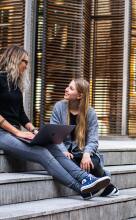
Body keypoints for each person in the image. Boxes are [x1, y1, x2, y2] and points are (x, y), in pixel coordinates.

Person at [0, 45, 110, 200]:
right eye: (24, 61)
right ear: (15, 60)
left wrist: (34, 131)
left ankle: (86, 179)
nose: (26, 65)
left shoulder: (15, 86)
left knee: (51, 145)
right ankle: (81, 188)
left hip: (14, 133)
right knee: (43, 153)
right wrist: (18, 132)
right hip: (3, 135)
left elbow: (21, 115)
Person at [50, 78, 119, 197]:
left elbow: (93, 139)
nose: (66, 89)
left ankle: (97, 184)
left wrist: (87, 154)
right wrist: (63, 151)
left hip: (81, 153)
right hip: (65, 152)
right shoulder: (59, 107)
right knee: (66, 162)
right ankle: (105, 185)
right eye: (68, 86)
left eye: (71, 88)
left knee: (93, 162)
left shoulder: (90, 113)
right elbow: (54, 132)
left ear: (80, 95)